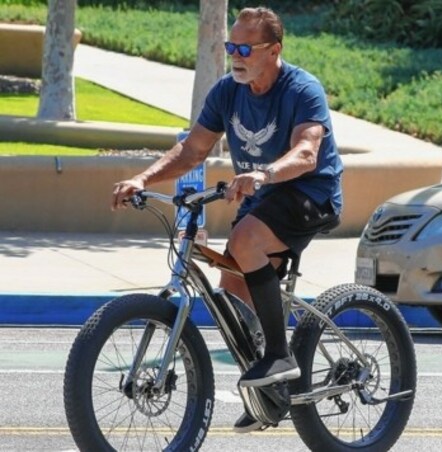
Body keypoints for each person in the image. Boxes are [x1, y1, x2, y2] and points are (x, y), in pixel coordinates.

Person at [111, 7, 343, 432]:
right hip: (264, 196)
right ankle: (272, 395)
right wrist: (142, 178)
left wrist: (265, 173)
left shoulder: (302, 89)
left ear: (273, 51)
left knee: (246, 241)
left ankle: (280, 355)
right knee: (233, 289)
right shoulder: (227, 92)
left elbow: (307, 152)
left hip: (311, 193)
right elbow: (192, 150)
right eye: (229, 47)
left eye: (244, 48)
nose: (234, 55)